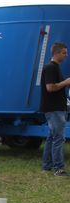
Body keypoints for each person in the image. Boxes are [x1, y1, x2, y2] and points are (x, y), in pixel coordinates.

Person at [40, 42, 69, 176]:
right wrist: (66, 82)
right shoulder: (51, 68)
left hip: (55, 108)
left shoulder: (55, 68)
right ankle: (58, 168)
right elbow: (50, 87)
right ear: (56, 53)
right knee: (59, 138)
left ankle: (47, 165)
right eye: (64, 52)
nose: (66, 55)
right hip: (54, 109)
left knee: (52, 137)